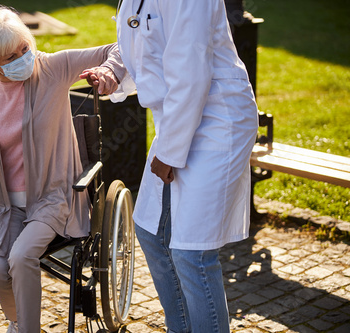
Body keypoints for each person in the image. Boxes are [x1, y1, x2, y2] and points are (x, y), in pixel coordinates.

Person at [0, 6, 125, 333]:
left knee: (22, 256)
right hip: (4, 203)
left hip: (53, 196)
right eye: (9, 56)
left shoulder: (53, 68)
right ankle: (18, 321)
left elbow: (119, 47)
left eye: (24, 48)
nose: (21, 58)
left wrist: (110, 71)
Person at [81, 0, 259, 332]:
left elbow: (192, 75)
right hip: (179, 118)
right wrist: (113, 71)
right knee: (150, 231)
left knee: (194, 256)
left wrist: (169, 154)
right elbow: (138, 33)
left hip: (218, 120)